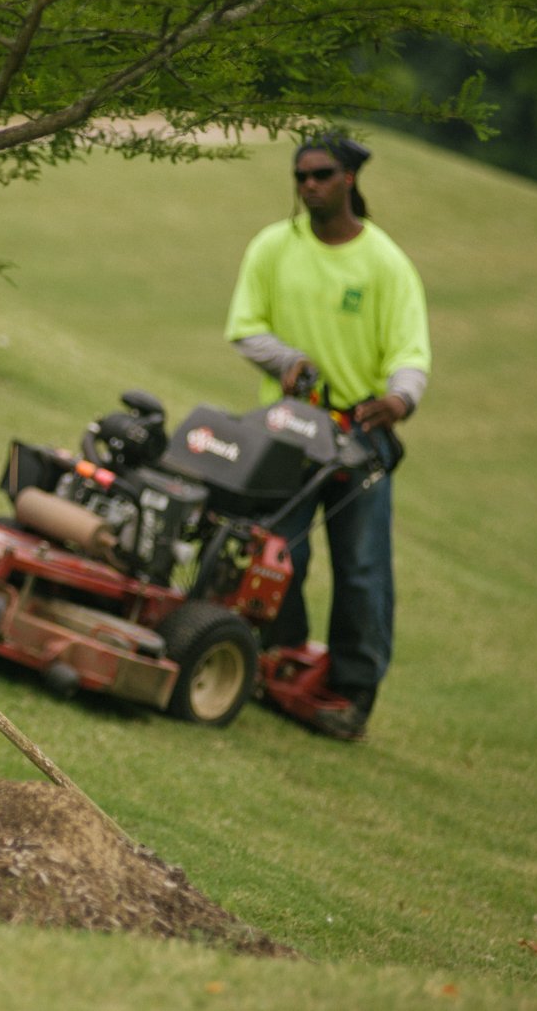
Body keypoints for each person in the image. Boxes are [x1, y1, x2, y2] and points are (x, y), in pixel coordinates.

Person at [224, 132, 431, 740]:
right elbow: (245, 328)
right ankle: (277, 659)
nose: (309, 185)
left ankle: (352, 691)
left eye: (321, 174)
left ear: (350, 179)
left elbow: (410, 353)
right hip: (290, 430)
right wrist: (286, 362)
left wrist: (398, 399)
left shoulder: (385, 263)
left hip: (359, 432)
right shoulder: (272, 247)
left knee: (363, 567)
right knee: (279, 550)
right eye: (301, 176)